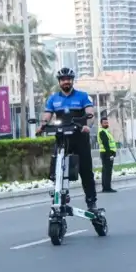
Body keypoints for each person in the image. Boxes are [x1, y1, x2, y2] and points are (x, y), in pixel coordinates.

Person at [36, 68, 99, 210]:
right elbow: (47, 115)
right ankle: (62, 194)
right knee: (57, 168)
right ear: (59, 82)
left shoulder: (82, 96)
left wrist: (87, 125)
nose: (66, 82)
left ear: (72, 81)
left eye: (68, 79)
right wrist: (42, 126)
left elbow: (90, 114)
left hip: (80, 137)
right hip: (62, 138)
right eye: (63, 79)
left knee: (85, 171)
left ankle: (91, 201)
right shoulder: (53, 99)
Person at [97, 114, 117, 194]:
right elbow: (106, 144)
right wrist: (110, 155)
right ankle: (107, 188)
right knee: (107, 171)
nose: (106, 124)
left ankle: (105, 187)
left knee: (105, 170)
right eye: (104, 123)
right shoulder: (102, 132)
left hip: (106, 153)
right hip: (106, 153)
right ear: (101, 124)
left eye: (107, 122)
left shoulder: (106, 131)